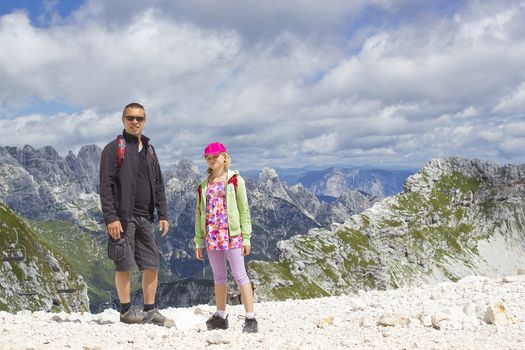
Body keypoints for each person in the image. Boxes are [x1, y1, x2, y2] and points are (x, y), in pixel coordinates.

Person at [99, 102, 171, 326]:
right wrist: (111, 218)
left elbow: (158, 183)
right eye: (130, 118)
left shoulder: (149, 149)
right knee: (124, 264)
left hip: (145, 217)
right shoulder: (114, 149)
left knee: (152, 263)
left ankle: (150, 311)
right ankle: (126, 311)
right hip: (123, 218)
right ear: (123, 120)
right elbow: (105, 186)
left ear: (145, 120)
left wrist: (163, 214)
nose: (135, 122)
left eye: (139, 118)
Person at [194, 142, 258, 333]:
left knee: (240, 275)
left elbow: (243, 209)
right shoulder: (203, 185)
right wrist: (198, 241)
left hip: (232, 234)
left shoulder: (235, 181)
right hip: (212, 235)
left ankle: (251, 318)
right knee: (219, 277)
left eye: (215, 156)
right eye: (208, 158)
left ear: (224, 157)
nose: (211, 160)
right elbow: (199, 214)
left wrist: (246, 237)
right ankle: (221, 316)